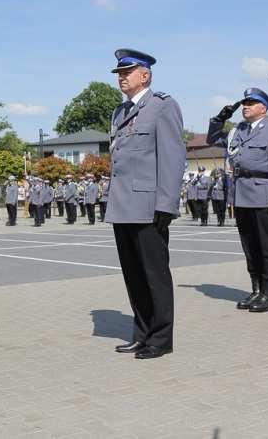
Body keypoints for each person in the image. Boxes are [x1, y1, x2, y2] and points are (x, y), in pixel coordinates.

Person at [105, 49, 185, 359]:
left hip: (149, 205)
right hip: (123, 205)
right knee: (134, 275)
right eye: (119, 73)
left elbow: (173, 158)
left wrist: (166, 205)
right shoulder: (120, 112)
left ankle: (161, 338)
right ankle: (141, 333)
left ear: (145, 75)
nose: (121, 77)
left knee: (154, 275)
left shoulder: (162, 107)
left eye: (127, 72)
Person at [207, 88, 268, 312]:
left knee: (266, 246)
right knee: (249, 246)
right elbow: (213, 139)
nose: (245, 106)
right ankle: (255, 289)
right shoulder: (238, 131)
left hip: (264, 194)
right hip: (241, 194)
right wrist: (220, 119)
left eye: (251, 102)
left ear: (263, 108)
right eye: (244, 102)